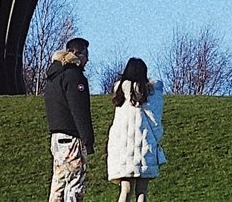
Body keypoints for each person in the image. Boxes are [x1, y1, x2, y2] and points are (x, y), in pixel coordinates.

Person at [37, 37, 95, 202]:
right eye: (85, 55)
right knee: (75, 186)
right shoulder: (74, 77)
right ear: (76, 53)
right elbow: (79, 110)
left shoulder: (53, 77)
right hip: (72, 139)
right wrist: (88, 140)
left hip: (57, 138)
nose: (87, 60)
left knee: (58, 185)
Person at [104, 58, 164, 201]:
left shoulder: (120, 93)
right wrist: (157, 139)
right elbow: (155, 121)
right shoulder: (150, 93)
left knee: (125, 190)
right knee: (142, 191)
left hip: (122, 148)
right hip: (144, 144)